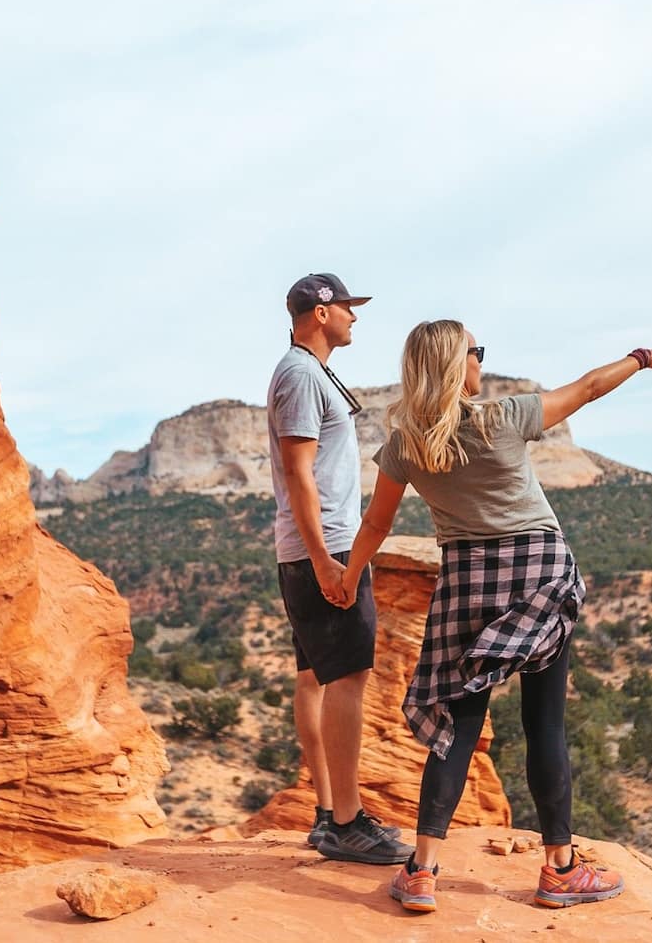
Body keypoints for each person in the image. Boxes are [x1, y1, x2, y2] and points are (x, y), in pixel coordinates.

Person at [340, 320, 652, 913]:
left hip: (467, 579)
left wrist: (348, 579)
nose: (482, 361)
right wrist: (642, 358)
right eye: (478, 352)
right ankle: (560, 871)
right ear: (458, 364)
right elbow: (590, 387)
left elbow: (376, 525)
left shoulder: (407, 443)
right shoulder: (503, 417)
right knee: (545, 722)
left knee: (459, 727)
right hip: (539, 571)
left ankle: (421, 872)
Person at [266, 272, 414, 866]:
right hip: (321, 547)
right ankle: (346, 824)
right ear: (321, 312)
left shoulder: (308, 372)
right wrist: (328, 559)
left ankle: (333, 812)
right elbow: (298, 473)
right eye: (348, 308)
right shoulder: (301, 374)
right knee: (349, 676)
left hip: (316, 546)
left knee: (319, 677)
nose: (356, 317)